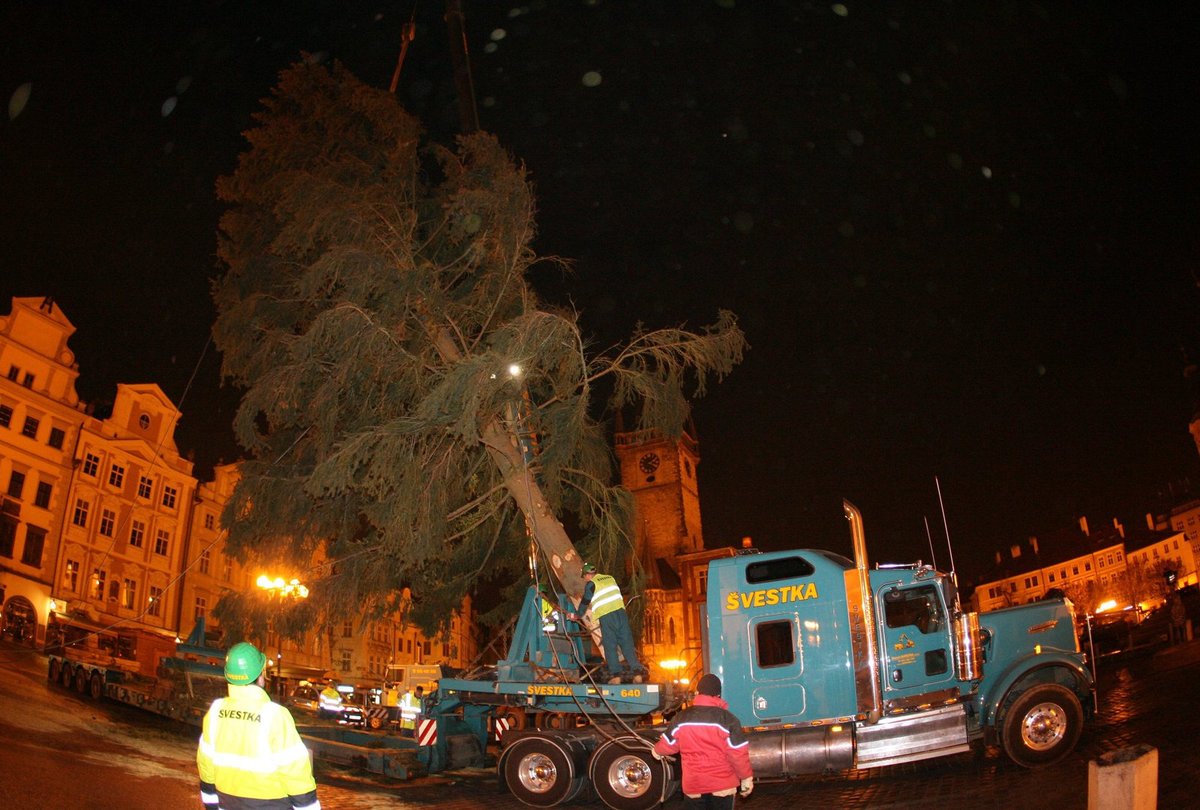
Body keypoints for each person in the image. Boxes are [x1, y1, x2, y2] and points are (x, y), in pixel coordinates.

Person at [197, 641, 320, 810]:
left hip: (227, 804)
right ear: (261, 677)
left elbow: (206, 764)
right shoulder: (276, 715)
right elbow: (295, 771)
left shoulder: (215, 711)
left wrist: (211, 804)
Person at [653, 674, 753, 809]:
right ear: (718, 694)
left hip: (694, 785)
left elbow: (669, 745)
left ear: (698, 692)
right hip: (722, 785)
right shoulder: (728, 719)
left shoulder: (681, 718)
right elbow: (738, 753)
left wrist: (656, 750)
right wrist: (746, 777)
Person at [567, 562, 645, 683]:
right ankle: (637, 673)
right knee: (627, 644)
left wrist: (576, 615)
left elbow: (584, 602)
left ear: (588, 575)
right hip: (621, 614)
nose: (585, 579)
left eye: (584, 577)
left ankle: (616, 676)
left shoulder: (591, 585)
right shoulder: (610, 578)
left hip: (607, 617)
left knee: (610, 645)